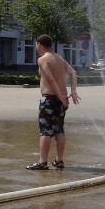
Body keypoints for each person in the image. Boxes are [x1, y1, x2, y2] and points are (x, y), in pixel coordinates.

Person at [27, 34, 80, 170]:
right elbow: (73, 72)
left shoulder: (43, 59)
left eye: (36, 44)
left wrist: (59, 96)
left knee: (45, 131)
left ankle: (42, 162)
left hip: (50, 99)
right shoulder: (59, 58)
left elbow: (50, 79)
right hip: (61, 100)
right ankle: (59, 160)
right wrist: (72, 91)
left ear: (39, 44)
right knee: (59, 130)